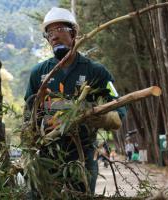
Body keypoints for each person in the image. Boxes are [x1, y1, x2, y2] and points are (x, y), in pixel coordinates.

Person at [24, 7, 126, 195]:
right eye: (50, 33)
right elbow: (28, 114)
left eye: (60, 30)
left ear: (74, 33)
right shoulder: (39, 73)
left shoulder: (95, 72)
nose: (54, 36)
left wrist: (105, 118)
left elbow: (119, 108)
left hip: (83, 155)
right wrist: (30, 138)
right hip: (49, 156)